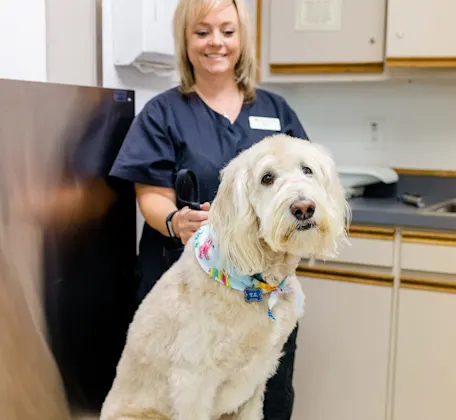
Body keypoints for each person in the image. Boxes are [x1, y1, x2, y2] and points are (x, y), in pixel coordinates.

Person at [108, 0, 309, 418]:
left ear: (242, 40)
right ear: (185, 41)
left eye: (227, 31)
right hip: (189, 287)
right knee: (185, 392)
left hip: (264, 292)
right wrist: (173, 220)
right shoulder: (163, 113)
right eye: (202, 32)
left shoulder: (276, 111)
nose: (216, 42)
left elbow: (302, 191)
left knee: (262, 390)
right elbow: (149, 193)